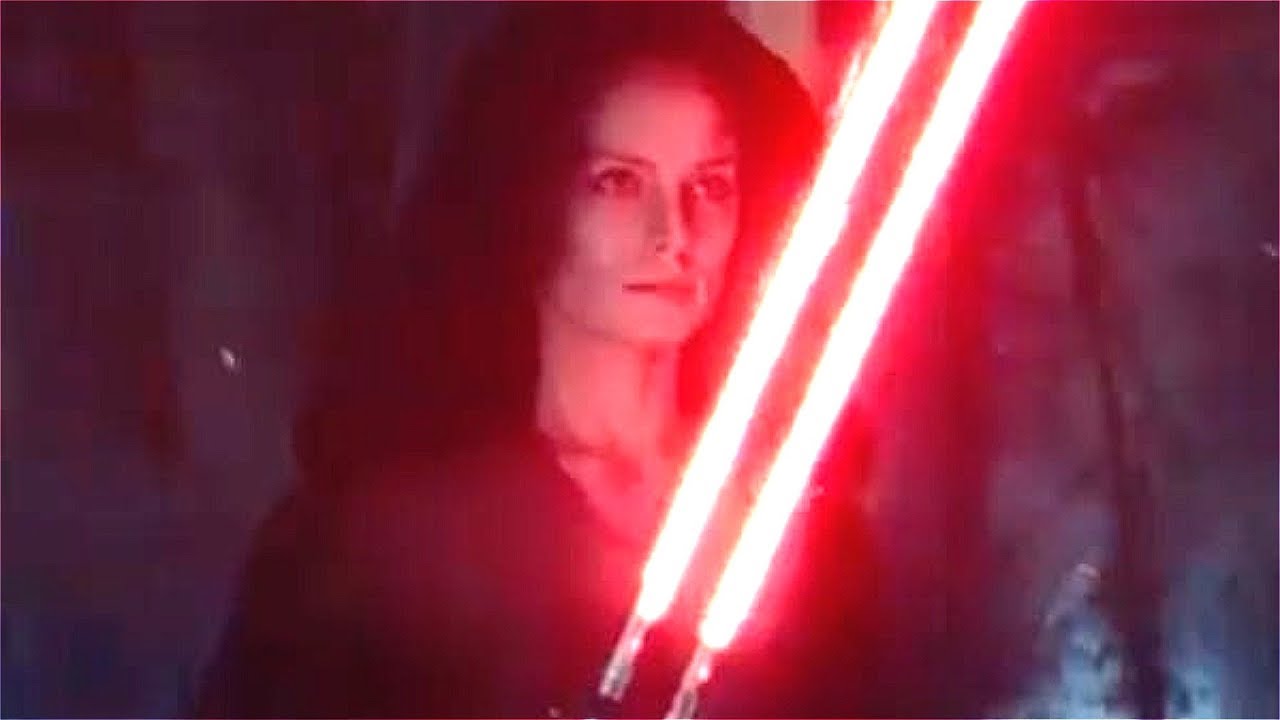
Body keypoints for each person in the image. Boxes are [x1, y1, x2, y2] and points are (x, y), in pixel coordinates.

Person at [196, 4, 890, 717]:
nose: (674, 234)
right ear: (530, 198)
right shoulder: (385, 549)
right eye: (617, 182)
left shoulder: (799, 537)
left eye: (710, 184)